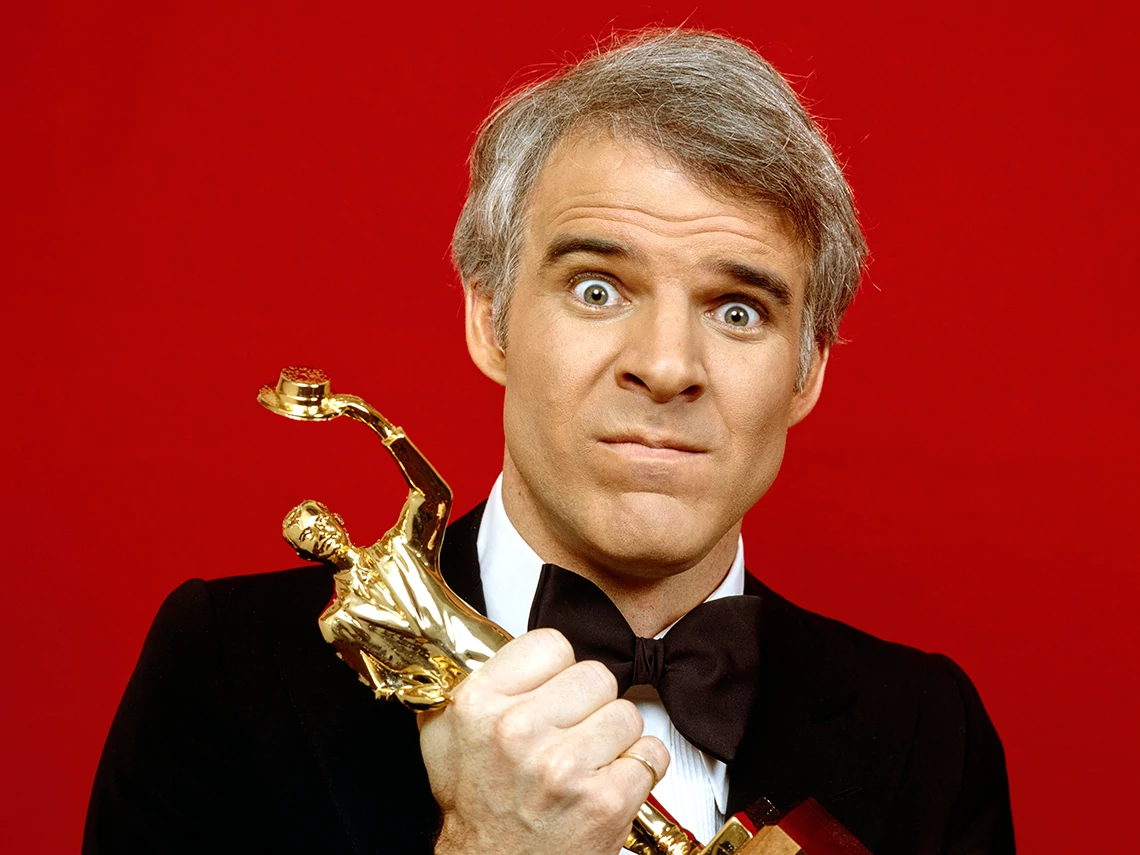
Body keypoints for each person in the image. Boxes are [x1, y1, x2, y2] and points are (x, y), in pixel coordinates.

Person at [84, 29, 1014, 855]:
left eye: (738, 309)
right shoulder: (228, 672)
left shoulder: (928, 733)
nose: (665, 366)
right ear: (490, 319)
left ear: (807, 371)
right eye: (597, 289)